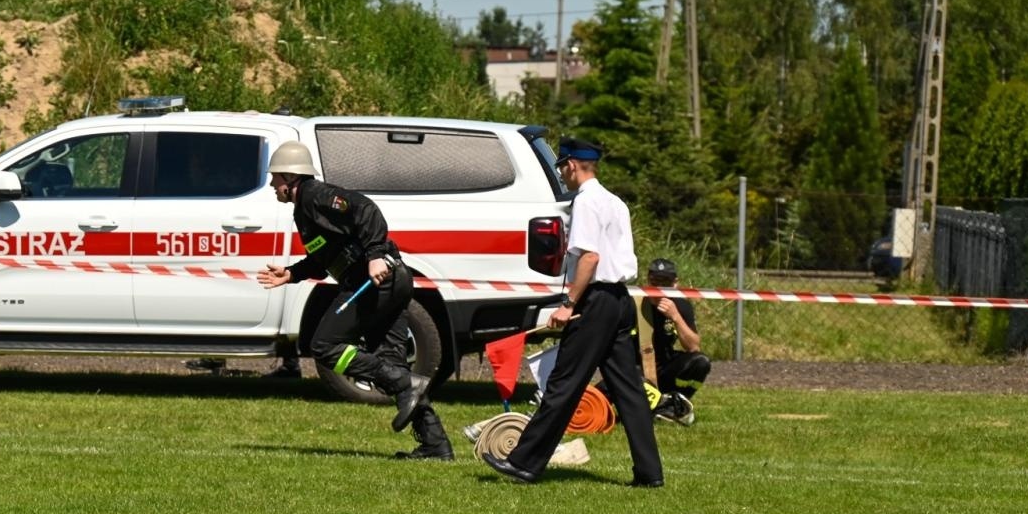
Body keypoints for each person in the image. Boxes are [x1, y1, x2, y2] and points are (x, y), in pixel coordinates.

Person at [480, 137, 663, 486]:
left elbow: (590, 258)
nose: (562, 174)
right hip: (620, 300)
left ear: (572, 165)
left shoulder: (586, 203)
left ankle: (524, 463)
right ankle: (649, 473)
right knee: (629, 390)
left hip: (595, 302)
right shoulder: (615, 202)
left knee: (564, 383)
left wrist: (568, 305)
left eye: (562, 166)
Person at [255, 141, 452, 460]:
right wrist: (291, 274)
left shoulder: (317, 196)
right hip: (387, 283)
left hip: (376, 282)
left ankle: (404, 382)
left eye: (275, 177)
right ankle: (436, 445)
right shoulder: (304, 209)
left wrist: (375, 255)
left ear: (292, 178)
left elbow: (365, 210)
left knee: (324, 347)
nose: (271, 185)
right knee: (394, 369)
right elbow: (323, 257)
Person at [642, 257, 710, 426]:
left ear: (675, 284)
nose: (658, 287)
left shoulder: (680, 305)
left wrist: (676, 317)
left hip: (664, 366)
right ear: (647, 280)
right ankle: (659, 406)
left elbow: (693, 346)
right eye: (654, 281)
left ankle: (674, 403)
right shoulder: (635, 302)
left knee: (700, 362)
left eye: (664, 282)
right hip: (637, 369)